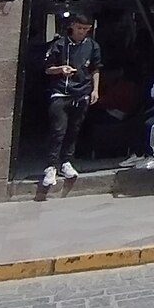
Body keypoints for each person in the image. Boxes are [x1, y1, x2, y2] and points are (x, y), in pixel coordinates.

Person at [40, 11, 101, 189]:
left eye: (86, 29)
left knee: (74, 129)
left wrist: (95, 89)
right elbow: (47, 69)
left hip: (81, 92)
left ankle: (66, 161)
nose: (83, 32)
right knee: (58, 129)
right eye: (80, 28)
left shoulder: (93, 46)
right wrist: (60, 69)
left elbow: (96, 68)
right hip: (61, 92)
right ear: (72, 26)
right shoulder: (59, 44)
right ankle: (51, 165)